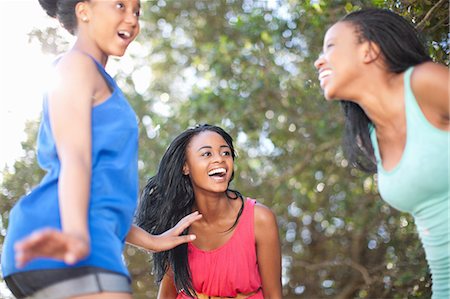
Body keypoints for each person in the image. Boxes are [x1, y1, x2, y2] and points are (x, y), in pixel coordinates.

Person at [1, 1, 201, 298]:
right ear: (84, 11)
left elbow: (101, 194)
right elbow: (75, 159)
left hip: (86, 238)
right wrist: (76, 236)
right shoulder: (77, 65)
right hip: (66, 236)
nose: (131, 19)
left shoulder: (95, 76)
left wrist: (153, 240)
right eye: (120, 5)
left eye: (137, 11)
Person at [314, 8, 449, 298]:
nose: (318, 61)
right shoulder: (370, 140)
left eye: (331, 47)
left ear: (370, 51)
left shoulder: (424, 83)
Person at [135, 124, 282, 299]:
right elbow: (167, 294)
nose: (219, 159)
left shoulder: (260, 219)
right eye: (207, 154)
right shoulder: (178, 223)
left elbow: (274, 295)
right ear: (185, 167)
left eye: (225, 153)